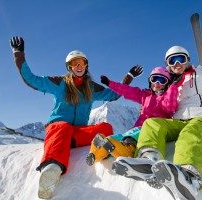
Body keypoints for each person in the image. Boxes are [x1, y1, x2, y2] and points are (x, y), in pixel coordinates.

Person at [112, 18, 202, 199]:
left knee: (189, 134)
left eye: (180, 59)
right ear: (168, 65)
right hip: (177, 122)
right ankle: (149, 161)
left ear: (187, 60)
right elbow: (139, 94)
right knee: (152, 124)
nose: (176, 64)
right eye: (172, 61)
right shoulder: (168, 84)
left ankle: (191, 177)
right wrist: (128, 78)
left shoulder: (201, 72)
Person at [9, 36, 142, 199]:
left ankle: (97, 149)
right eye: (74, 63)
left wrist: (128, 76)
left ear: (86, 65)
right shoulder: (59, 83)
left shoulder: (91, 88)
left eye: (81, 62)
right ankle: (52, 168)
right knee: (62, 126)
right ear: (69, 67)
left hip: (77, 133)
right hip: (58, 128)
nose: (78, 66)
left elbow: (114, 95)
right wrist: (18, 54)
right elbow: (31, 79)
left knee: (105, 128)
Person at [86, 66, 179, 167]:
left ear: (167, 84)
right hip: (136, 129)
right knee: (116, 137)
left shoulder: (167, 98)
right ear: (150, 81)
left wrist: (173, 87)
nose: (157, 83)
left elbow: (170, 107)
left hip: (151, 130)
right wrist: (110, 83)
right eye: (154, 79)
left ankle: (126, 151)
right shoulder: (145, 95)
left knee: (130, 138)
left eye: (162, 80)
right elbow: (127, 91)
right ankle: (96, 153)